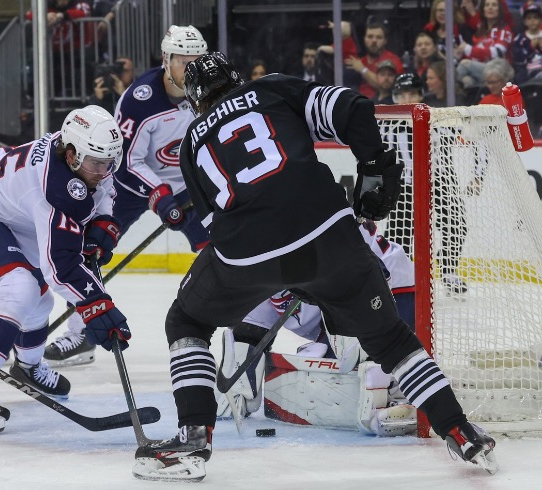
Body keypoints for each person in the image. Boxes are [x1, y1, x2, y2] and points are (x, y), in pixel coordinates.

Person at [131, 52, 497, 482]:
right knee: (391, 340)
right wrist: (375, 170)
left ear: (195, 99)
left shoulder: (193, 140)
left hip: (247, 255)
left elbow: (215, 227)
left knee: (187, 319)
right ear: (236, 76)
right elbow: (354, 108)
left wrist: (277, 273)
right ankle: (459, 428)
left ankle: (194, 436)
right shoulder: (271, 88)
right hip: (330, 239)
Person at [0, 105, 130, 433]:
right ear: (70, 154)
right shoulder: (52, 188)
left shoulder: (85, 153)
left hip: (12, 213)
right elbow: (60, 268)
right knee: (20, 289)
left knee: (39, 299)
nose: (103, 170)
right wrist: (96, 306)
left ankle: (27, 368)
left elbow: (106, 189)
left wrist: (102, 221)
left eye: (109, 162)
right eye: (96, 163)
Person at [44, 26, 209, 368]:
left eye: (198, 61)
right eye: (183, 61)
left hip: (187, 186)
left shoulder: (207, 90)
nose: (191, 69)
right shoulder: (139, 100)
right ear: (166, 60)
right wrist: (158, 195)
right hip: (130, 188)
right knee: (90, 249)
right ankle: (82, 333)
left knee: (223, 248)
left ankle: (245, 331)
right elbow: (126, 162)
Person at [216, 219, 417, 436]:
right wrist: (240, 387)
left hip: (396, 291)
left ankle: (397, 386)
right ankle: (379, 377)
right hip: (331, 320)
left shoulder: (317, 228)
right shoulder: (254, 266)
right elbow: (249, 334)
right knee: (335, 371)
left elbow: (368, 275)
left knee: (359, 353)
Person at [382, 73, 471, 295]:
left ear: (421, 95)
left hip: (437, 183)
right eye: (402, 94)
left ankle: (449, 271)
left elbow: (467, 135)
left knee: (455, 225)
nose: (407, 99)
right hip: (403, 186)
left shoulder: (438, 119)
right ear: (395, 97)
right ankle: (399, 279)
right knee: (399, 236)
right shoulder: (384, 124)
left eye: (411, 93)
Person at [454, 0, 514, 89]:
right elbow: (474, 56)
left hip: (501, 70)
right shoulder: (480, 32)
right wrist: (458, 55)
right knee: (467, 80)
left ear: (500, 9)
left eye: (494, 5)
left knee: (464, 65)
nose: (490, 7)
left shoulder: (505, 30)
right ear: (483, 9)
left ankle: (446, 96)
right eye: (487, 5)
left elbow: (497, 53)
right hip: (482, 70)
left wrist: (468, 49)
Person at [345, 19, 403, 99]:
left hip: (384, 105)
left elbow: (387, 87)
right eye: (370, 36)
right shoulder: (359, 62)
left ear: (385, 41)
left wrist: (362, 69)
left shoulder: (393, 60)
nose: (374, 41)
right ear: (364, 39)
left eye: (378, 37)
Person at [512, 3, 542, 84]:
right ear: (524, 22)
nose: (532, 20)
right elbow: (518, 60)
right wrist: (530, 47)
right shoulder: (519, 39)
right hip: (528, 72)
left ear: (540, 20)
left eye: (535, 17)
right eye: (529, 18)